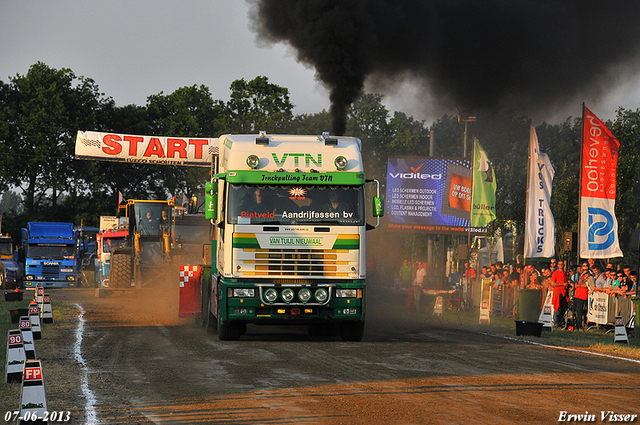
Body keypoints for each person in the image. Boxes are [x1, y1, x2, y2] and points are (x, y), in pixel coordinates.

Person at [550, 260, 569, 328]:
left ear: (564, 265)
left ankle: (561, 322)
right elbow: (552, 283)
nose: (561, 265)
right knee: (556, 307)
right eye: (559, 264)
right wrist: (562, 284)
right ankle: (556, 322)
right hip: (558, 292)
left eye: (562, 264)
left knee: (563, 308)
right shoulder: (555, 273)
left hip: (564, 292)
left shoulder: (565, 273)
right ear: (558, 265)